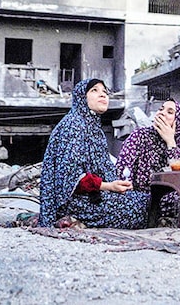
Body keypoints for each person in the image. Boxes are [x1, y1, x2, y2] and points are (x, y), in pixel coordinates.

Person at [38, 79, 149, 228]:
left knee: (144, 199)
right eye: (94, 90)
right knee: (138, 207)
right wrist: (109, 186)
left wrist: (114, 186)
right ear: (81, 97)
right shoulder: (74, 125)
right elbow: (72, 178)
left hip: (93, 195)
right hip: (75, 202)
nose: (102, 95)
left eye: (104, 92)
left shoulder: (93, 128)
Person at [116, 98, 180, 194]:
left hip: (169, 197)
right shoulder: (140, 136)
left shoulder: (178, 146)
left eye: (170, 112)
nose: (162, 113)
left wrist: (170, 142)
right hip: (140, 196)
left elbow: (179, 179)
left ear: (177, 122)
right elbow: (122, 169)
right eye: (161, 109)